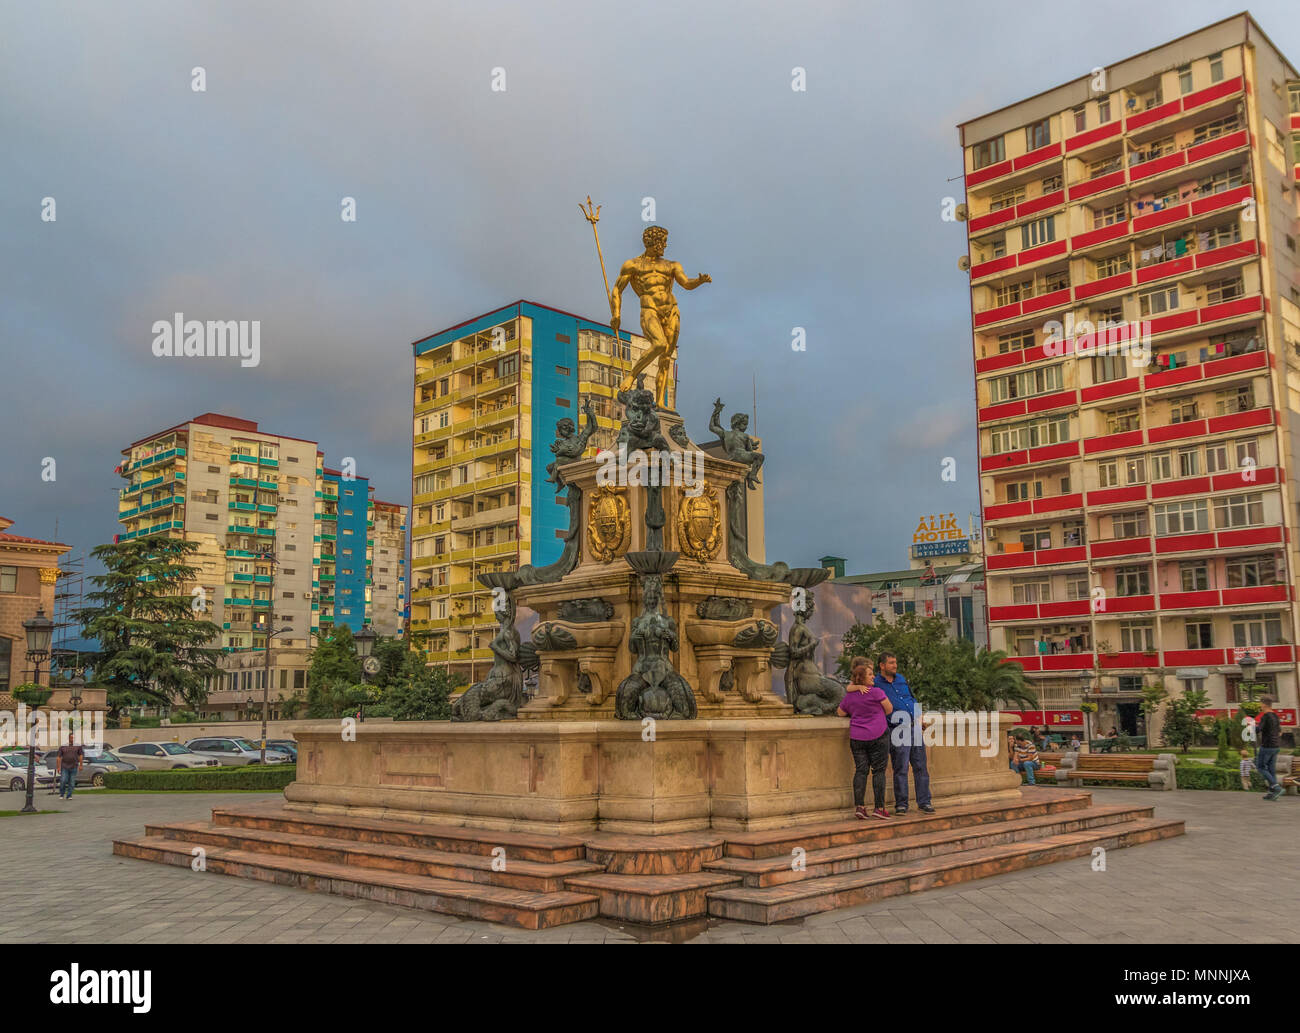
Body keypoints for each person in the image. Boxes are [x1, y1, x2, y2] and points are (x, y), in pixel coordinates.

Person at [875, 651, 934, 814]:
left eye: (895, 662)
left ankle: (924, 801)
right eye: (891, 663)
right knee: (900, 768)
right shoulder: (875, 683)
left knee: (920, 766)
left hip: (914, 726)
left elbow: (912, 699)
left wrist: (920, 717)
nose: (895, 665)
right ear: (882, 665)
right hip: (897, 729)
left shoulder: (901, 679)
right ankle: (901, 804)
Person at [836, 657, 893, 820]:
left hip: (857, 737)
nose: (873, 676)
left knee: (861, 771)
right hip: (878, 735)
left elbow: (840, 713)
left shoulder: (850, 696)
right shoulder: (876, 692)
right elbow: (889, 709)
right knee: (879, 771)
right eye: (870, 674)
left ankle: (860, 807)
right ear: (862, 678)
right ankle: (879, 808)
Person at [1256, 696, 1284, 801]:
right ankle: (1272, 794)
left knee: (1261, 767)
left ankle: (1276, 788)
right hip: (1276, 746)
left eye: (1260, 704)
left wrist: (1250, 726)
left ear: (1264, 704)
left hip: (1267, 746)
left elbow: (1258, 730)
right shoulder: (1275, 716)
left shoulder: (1266, 716)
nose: (1260, 706)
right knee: (1271, 770)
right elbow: (1280, 732)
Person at [54, 732, 84, 800]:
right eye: (71, 737)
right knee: (63, 780)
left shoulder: (78, 746)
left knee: (72, 782)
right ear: (68, 738)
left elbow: (81, 755)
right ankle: (61, 794)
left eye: (73, 738)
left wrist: (81, 765)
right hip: (64, 766)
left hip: (74, 766)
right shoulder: (63, 746)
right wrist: (58, 767)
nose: (72, 739)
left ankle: (69, 795)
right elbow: (58, 757)